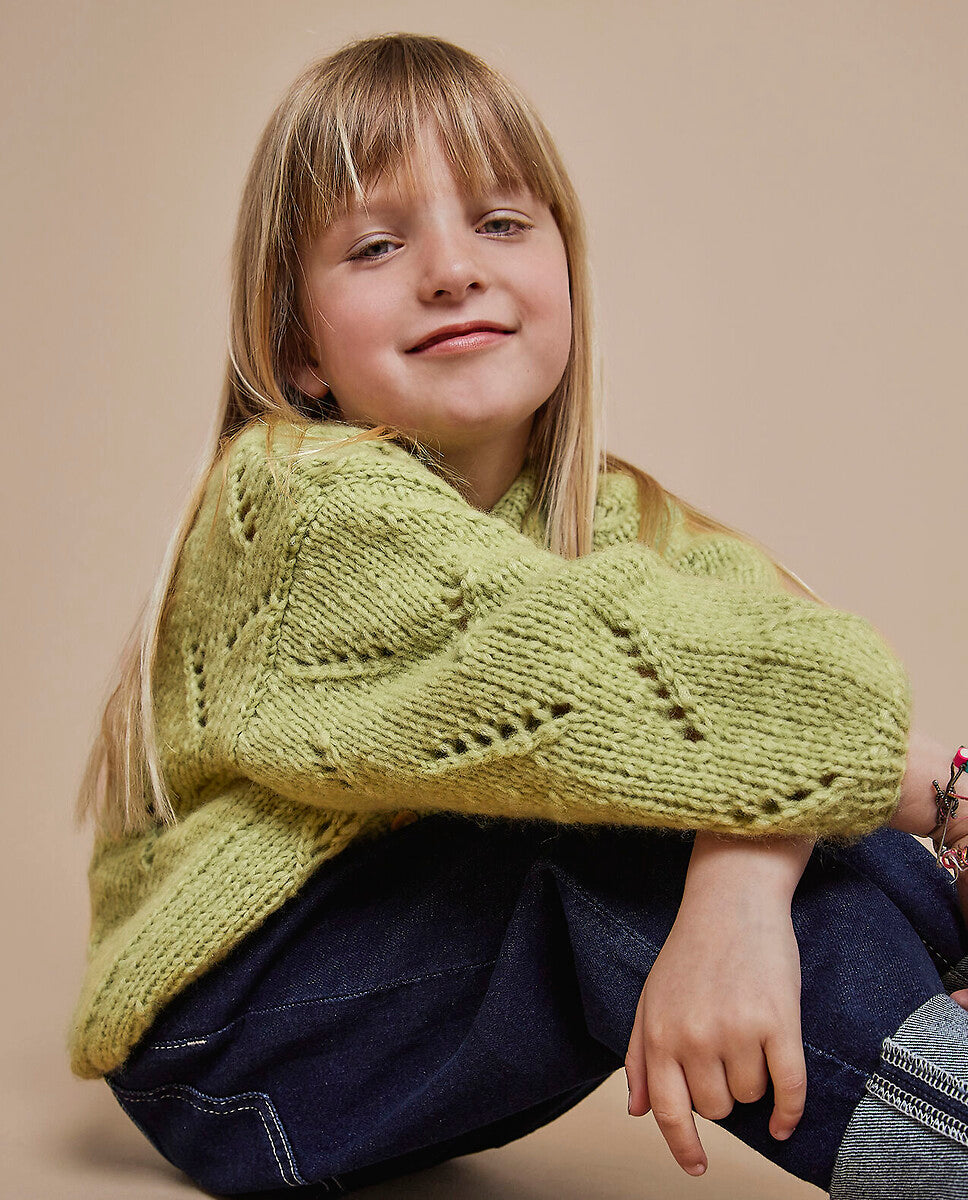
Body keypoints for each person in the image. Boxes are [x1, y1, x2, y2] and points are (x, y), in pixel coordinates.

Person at [68, 31, 968, 1199]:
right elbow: (665, 690)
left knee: (795, 822)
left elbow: (764, 688)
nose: (450, 270)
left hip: (407, 998)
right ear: (297, 348)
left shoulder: (613, 517)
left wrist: (745, 878)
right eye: (377, 245)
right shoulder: (295, 500)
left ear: (565, 275)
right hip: (232, 1037)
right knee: (610, 836)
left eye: (498, 223)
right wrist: (939, 791)